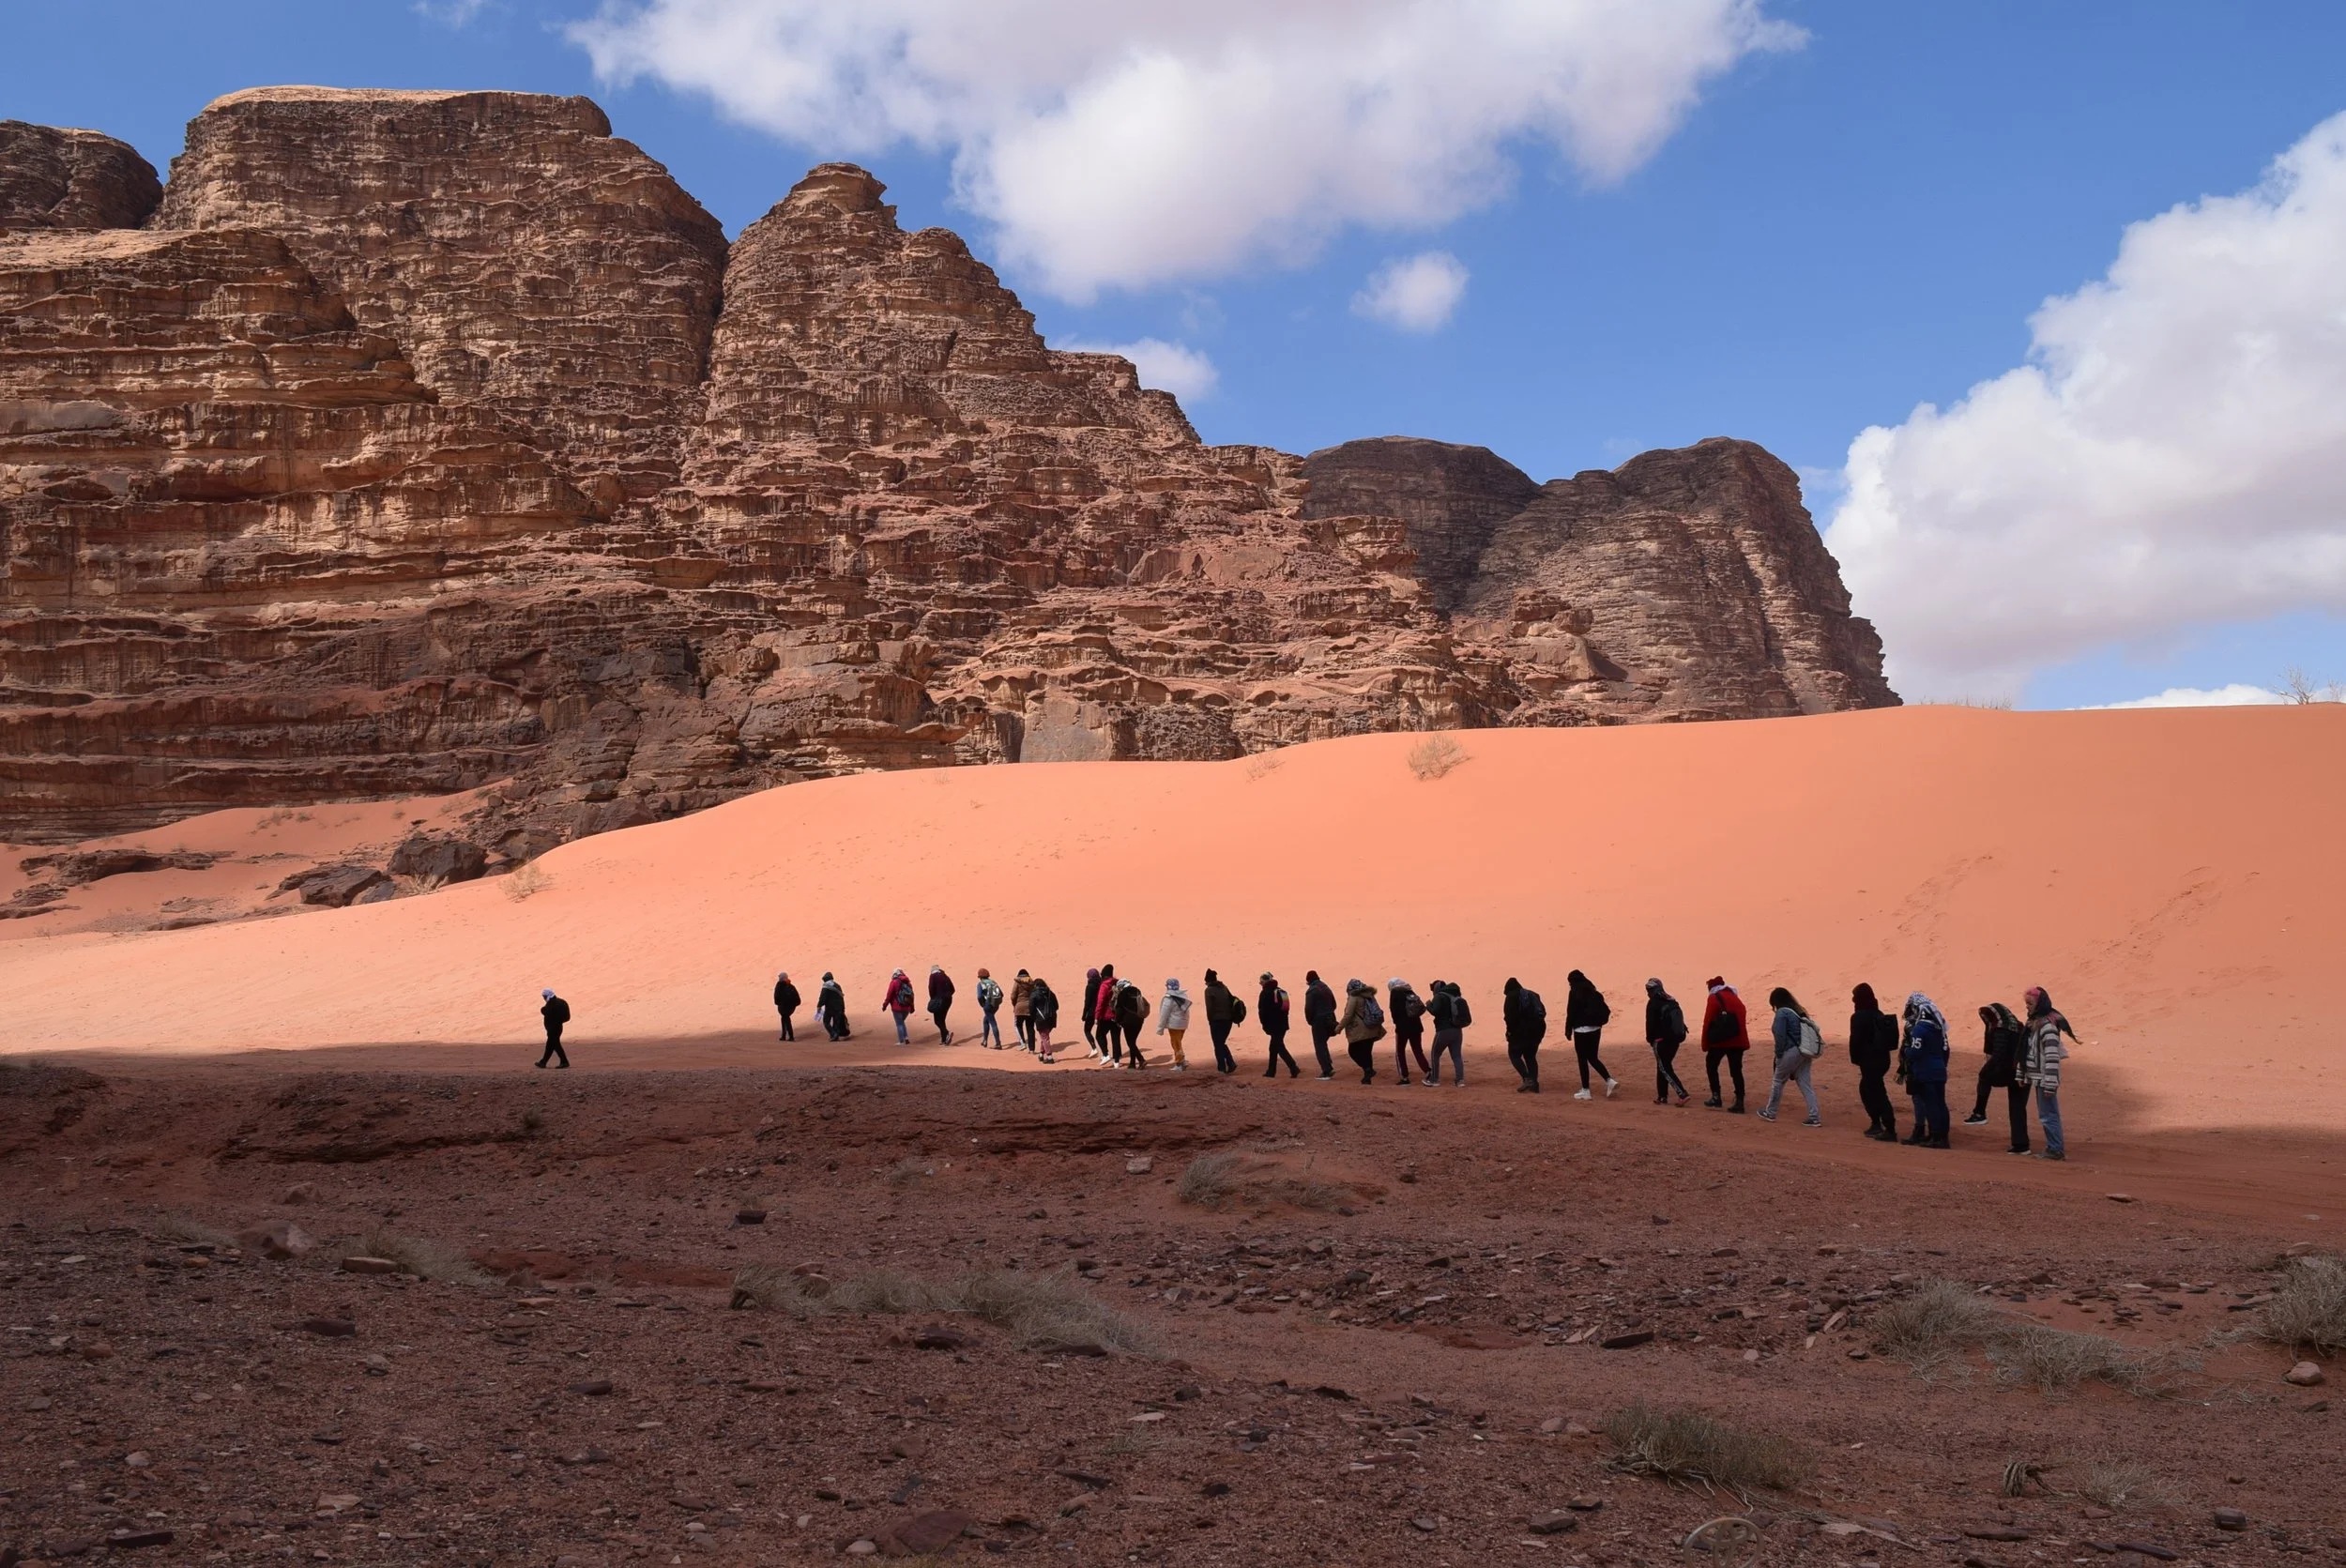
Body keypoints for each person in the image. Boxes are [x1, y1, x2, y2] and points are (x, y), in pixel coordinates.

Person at [2021, 986, 2077, 1162]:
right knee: (2046, 1114)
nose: (2027, 1007)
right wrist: (2022, 1075)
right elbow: (2026, 1053)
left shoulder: (2048, 1028)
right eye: (2026, 1004)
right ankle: (2053, 1147)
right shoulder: (2034, 1025)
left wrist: (2050, 1084)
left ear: (2039, 1004)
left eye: (2030, 1004)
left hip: (2046, 1080)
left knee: (2048, 1115)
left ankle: (2055, 1149)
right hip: (2040, 1079)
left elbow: (2053, 1058)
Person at [1967, 1001, 2030, 1153]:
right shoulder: (2019, 1027)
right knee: (2017, 1109)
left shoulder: (2001, 1029)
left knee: (1984, 1077)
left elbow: (1997, 1054)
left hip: (2010, 1072)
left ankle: (1979, 1113)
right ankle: (2021, 1145)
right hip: (2024, 1073)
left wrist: (1986, 1070)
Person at [1758, 986, 1822, 1126]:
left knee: (1778, 1081)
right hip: (1805, 1052)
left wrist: (1779, 1055)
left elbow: (1780, 1036)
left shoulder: (1782, 1013)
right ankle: (1814, 1116)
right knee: (1805, 1084)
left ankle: (1770, 1112)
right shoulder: (1798, 1011)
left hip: (1791, 1051)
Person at [1899, 993, 1952, 1148]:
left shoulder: (1920, 1029)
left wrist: (1907, 1052)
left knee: (1931, 1105)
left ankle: (1935, 1137)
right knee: (1941, 1104)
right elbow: (1945, 1051)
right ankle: (1942, 1137)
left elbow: (1915, 1052)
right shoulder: (1938, 1029)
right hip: (1939, 1070)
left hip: (1925, 1071)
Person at [1848, 983, 1899, 1140]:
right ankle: (1877, 1123)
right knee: (1868, 1089)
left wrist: (1856, 1059)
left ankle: (1888, 1128)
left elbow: (1855, 1040)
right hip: (1882, 1059)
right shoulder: (1878, 1013)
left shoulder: (1858, 1016)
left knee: (1876, 1092)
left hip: (1870, 1061)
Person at [1563, 970, 1619, 1101]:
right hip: (1595, 1029)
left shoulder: (1574, 993)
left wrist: (1568, 1030)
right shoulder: (1594, 993)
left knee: (1582, 1060)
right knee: (1593, 1057)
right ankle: (1609, 1080)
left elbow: (1570, 1012)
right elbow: (1605, 1011)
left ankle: (1586, 1090)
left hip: (1581, 1030)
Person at [1699, 978, 1749, 1113]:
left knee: (1711, 1065)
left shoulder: (1714, 998)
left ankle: (1716, 1097)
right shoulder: (1735, 997)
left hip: (1720, 1040)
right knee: (1736, 1071)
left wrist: (1705, 1044)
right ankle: (1739, 1101)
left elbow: (1707, 1021)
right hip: (1738, 1040)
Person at [1643, 978, 1690, 1104]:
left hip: (1661, 1041)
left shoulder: (1653, 1003)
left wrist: (1650, 1039)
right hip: (1674, 1040)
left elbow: (1650, 1024)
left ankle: (1682, 1093)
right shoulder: (1671, 1000)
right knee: (1662, 1066)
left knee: (1665, 1068)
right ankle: (1662, 1096)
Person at [1501, 977, 1546, 1093]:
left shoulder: (1511, 996)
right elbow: (1543, 1012)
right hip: (1538, 1030)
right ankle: (1534, 1084)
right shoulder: (1533, 994)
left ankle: (1527, 1078)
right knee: (1530, 1056)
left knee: (1514, 1054)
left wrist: (1509, 1032)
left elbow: (1510, 1018)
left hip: (1520, 1032)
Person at [1338, 978, 1383, 1084]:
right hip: (1372, 1027)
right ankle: (1367, 1077)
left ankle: (1368, 1070)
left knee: (1353, 1051)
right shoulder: (1369, 995)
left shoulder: (1354, 997)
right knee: (1367, 1053)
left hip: (1360, 1030)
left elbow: (1348, 1015)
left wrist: (1339, 1028)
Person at [1425, 981, 1470, 1086]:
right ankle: (1460, 1080)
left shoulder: (1439, 997)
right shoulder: (1454, 997)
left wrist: (1428, 1005)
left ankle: (1434, 1080)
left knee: (1435, 1054)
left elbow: (1435, 1011)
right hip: (1457, 1030)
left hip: (1443, 1030)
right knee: (1456, 1056)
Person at [1388, 978, 1431, 1085]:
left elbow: (1393, 1009)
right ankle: (1428, 1071)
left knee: (1400, 1052)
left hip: (1402, 1027)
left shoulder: (1395, 992)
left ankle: (1404, 1077)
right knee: (1417, 1050)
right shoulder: (1409, 990)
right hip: (1416, 1025)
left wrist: (1397, 1022)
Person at [1258, 973, 1300, 1078]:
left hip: (1273, 1026)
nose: (1260, 984)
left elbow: (1262, 1012)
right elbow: (1286, 1009)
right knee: (1274, 1047)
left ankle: (1293, 1068)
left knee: (1278, 1047)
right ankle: (1272, 1072)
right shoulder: (1281, 991)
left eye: (1261, 982)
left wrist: (1264, 1025)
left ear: (1265, 982)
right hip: (1283, 1025)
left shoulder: (1265, 993)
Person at [1202, 970, 1242, 1074]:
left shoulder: (1209, 990)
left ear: (1208, 981)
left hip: (1217, 1021)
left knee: (1218, 1045)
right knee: (1221, 1043)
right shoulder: (1224, 987)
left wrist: (1210, 1020)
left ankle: (1222, 1068)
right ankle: (1230, 1063)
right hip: (1228, 1020)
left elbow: (1210, 1008)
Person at [1303, 971, 1339, 1080]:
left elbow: (1308, 1009)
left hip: (1319, 1021)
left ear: (1308, 981)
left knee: (1319, 1045)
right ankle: (1328, 1066)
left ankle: (1327, 1070)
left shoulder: (1311, 991)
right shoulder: (1326, 987)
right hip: (1330, 1018)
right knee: (1323, 1044)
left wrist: (1311, 1021)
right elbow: (1334, 1004)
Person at [1156, 977, 1193, 1072]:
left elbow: (1164, 1014)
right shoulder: (1183, 996)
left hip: (1174, 1025)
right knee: (1178, 1043)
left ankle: (1179, 1064)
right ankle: (1183, 1061)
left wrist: (1160, 1028)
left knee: (1176, 1044)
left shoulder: (1168, 999)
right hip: (1183, 1024)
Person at [1114, 977, 1150, 1068]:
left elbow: (1119, 1008)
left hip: (1128, 1020)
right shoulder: (1137, 991)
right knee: (1133, 1042)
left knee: (1130, 1042)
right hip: (1139, 1019)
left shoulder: (1123, 993)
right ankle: (1132, 1063)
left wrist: (1117, 1020)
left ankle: (1141, 1060)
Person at [1092, 966, 1121, 1064]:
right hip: (1117, 1016)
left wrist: (1097, 1016)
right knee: (1116, 1038)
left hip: (1106, 1016)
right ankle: (1116, 1062)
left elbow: (1100, 1002)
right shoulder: (1117, 984)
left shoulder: (1104, 985)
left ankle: (1105, 1055)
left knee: (1099, 1035)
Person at [537, 987, 571, 1069]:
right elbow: (567, 1017)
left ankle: (564, 1061)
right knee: (552, 1045)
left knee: (554, 1045)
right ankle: (543, 1062)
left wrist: (543, 1010)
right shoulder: (561, 1002)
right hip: (558, 1028)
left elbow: (545, 1011)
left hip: (553, 1029)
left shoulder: (552, 1004)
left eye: (544, 997)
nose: (544, 998)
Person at [1029, 975, 1060, 1063]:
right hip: (1051, 1017)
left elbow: (1031, 1007)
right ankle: (1041, 1054)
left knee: (1044, 1037)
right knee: (1045, 1036)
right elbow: (1057, 1006)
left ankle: (1050, 1057)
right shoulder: (1050, 993)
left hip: (1041, 1018)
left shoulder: (1034, 994)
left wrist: (1033, 1017)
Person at [883, 968, 915, 1043]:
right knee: (901, 1022)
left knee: (899, 1024)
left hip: (896, 1007)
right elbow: (912, 996)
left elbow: (889, 995)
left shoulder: (894, 982)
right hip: (906, 1007)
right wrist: (912, 1007)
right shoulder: (908, 983)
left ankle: (901, 1041)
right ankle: (906, 1038)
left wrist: (885, 1005)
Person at [976, 968, 1004, 1048]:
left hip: (987, 1004)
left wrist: (982, 1004)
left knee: (992, 1022)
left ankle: (998, 1043)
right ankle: (985, 1040)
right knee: (986, 1020)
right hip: (996, 1005)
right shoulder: (993, 982)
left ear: (980, 977)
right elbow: (1002, 994)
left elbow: (979, 996)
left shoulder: (980, 984)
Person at [927, 966, 956, 1044]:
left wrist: (933, 999)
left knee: (937, 1021)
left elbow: (931, 988)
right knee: (942, 1020)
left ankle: (947, 1033)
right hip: (948, 1000)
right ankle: (944, 1040)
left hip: (939, 1000)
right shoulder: (945, 976)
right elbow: (953, 989)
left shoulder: (933, 976)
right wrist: (948, 995)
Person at [1011, 969, 1037, 1052]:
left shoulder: (1017, 983)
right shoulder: (1032, 983)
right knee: (1030, 1028)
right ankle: (1032, 1049)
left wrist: (1015, 1005)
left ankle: (1022, 1044)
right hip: (1030, 1008)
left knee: (1018, 1025)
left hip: (1020, 1007)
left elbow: (1013, 996)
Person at [817, 972, 848, 1040]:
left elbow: (823, 997)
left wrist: (819, 1006)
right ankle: (835, 1036)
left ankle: (833, 1034)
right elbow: (841, 998)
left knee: (826, 1022)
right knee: (836, 1022)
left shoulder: (826, 986)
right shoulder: (838, 986)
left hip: (830, 1008)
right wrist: (842, 1008)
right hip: (839, 1007)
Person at [1079, 967, 1103, 1057]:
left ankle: (1094, 1048)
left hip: (1092, 1012)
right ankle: (1105, 1053)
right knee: (1101, 1034)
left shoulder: (1090, 987)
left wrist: (1084, 1014)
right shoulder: (1102, 985)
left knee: (1087, 1030)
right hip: (1101, 1011)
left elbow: (1087, 1002)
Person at [772, 971, 800, 1043]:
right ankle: (784, 1035)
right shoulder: (791, 986)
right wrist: (794, 1004)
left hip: (783, 1007)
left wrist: (778, 1003)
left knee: (786, 1019)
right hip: (791, 1007)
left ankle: (790, 1036)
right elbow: (797, 998)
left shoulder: (779, 986)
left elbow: (776, 996)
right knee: (784, 1019)